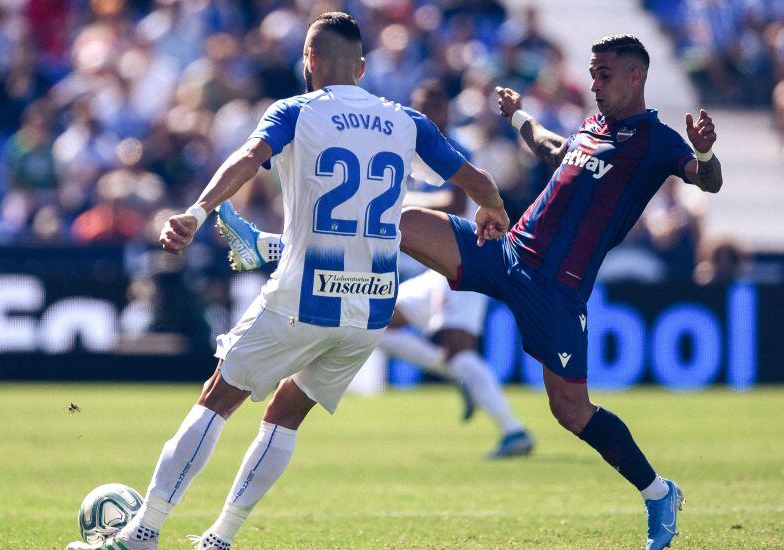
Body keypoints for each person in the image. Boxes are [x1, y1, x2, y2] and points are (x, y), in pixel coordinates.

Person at [221, 34, 723, 550]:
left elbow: (708, 180)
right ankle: (269, 246)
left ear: (636, 77)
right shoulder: (595, 127)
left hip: (557, 288)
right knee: (394, 218)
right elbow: (555, 150)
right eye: (592, 73)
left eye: (605, 75)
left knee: (571, 411)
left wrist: (704, 150)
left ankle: (659, 492)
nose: (594, 84)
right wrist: (519, 117)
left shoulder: (657, 140)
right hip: (505, 249)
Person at [66, 12, 509, 550]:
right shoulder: (406, 121)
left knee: (217, 400)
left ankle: (143, 532)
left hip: (303, 298)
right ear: (364, 67)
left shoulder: (296, 111)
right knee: (286, 414)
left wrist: (198, 211)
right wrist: (492, 209)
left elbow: (248, 158)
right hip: (369, 310)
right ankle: (219, 538)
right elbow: (479, 181)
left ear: (310, 62)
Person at [221, 79, 534, 459]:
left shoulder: (452, 146)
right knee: (375, 325)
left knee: (457, 348)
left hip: (464, 259)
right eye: (421, 103)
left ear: (447, 111)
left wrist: (397, 201)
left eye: (435, 104)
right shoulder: (409, 138)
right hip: (435, 267)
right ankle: (462, 378)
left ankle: (512, 429)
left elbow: (453, 202)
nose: (429, 113)